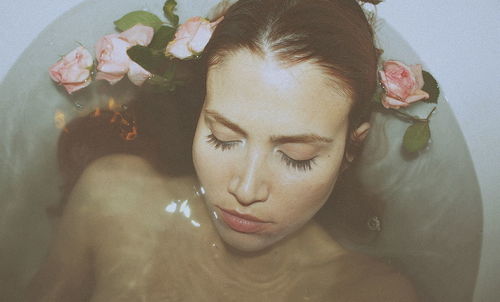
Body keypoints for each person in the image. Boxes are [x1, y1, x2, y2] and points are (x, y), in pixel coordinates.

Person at [26, 0, 419, 301]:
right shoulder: (112, 198)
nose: (246, 190)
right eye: (222, 137)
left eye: (296, 156)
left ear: (352, 149)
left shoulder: (372, 293)